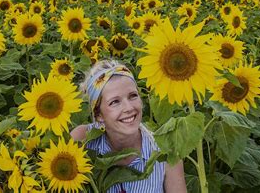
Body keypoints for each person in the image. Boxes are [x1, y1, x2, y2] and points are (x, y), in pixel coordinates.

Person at [71, 60, 187, 193]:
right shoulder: (82, 141)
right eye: (115, 102)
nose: (129, 108)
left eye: (133, 96)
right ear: (98, 115)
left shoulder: (166, 151)